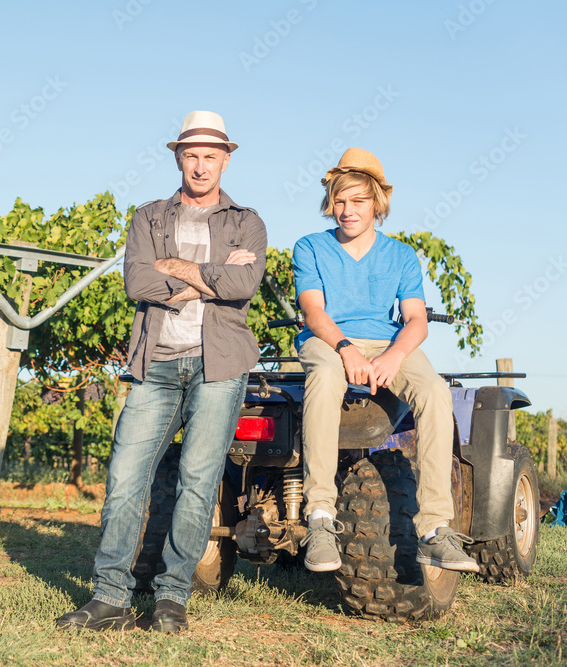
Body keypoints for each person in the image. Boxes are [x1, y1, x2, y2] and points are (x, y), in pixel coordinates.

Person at [57, 110, 268, 633]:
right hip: (155, 364)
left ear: (225, 159)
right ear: (178, 158)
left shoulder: (247, 221)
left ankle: (172, 598)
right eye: (191, 155)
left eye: (210, 156)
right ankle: (109, 598)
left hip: (218, 365)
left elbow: (244, 286)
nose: (200, 165)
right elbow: (137, 283)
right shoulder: (148, 217)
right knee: (125, 477)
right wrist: (210, 278)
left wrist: (175, 269)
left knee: (198, 481)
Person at [292, 147, 479, 574]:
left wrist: (394, 356)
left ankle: (434, 529)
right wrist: (346, 350)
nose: (347, 210)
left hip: (387, 342)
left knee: (434, 391)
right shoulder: (311, 247)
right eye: (339, 200)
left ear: (377, 202)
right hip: (330, 340)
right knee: (322, 379)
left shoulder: (401, 256)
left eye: (357, 200)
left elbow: (416, 320)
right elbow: (314, 313)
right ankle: (320, 516)